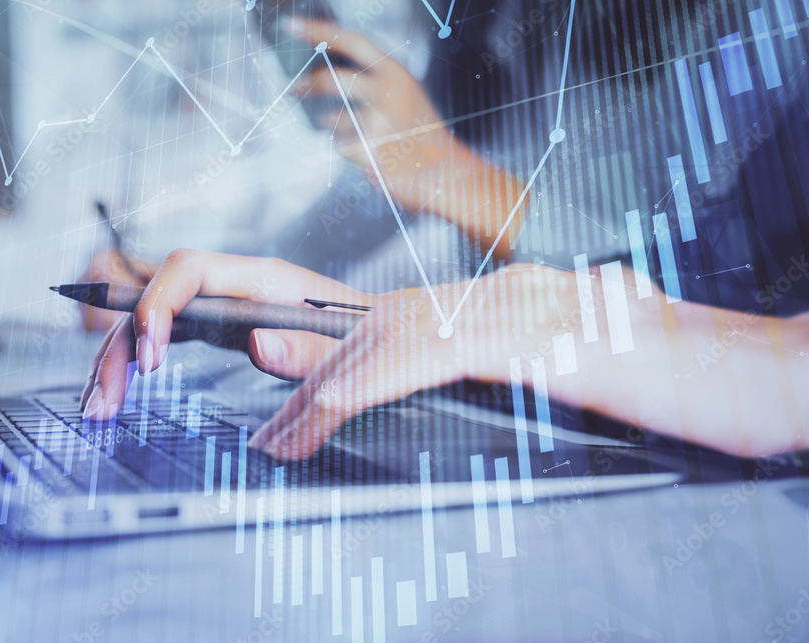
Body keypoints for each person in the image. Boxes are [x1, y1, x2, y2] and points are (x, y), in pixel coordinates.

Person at [78, 8, 809, 462]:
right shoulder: (485, 21)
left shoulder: (744, 28)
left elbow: (685, 269)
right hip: (551, 428)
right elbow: (385, 184)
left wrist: (448, 174)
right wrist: (235, 280)